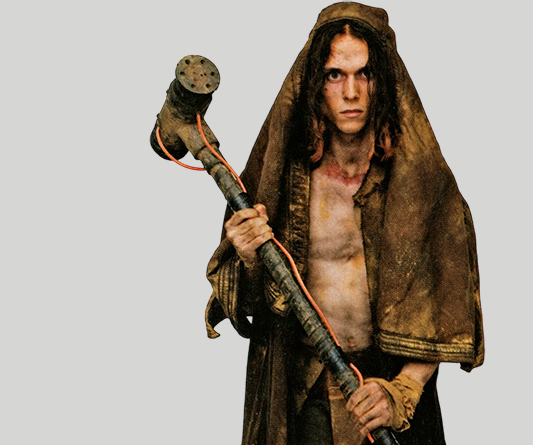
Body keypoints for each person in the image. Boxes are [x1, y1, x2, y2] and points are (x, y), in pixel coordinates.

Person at [206, 3, 484, 444]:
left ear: (385, 81)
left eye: (365, 74)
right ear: (315, 83)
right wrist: (249, 258)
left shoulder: (421, 184)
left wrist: (403, 391)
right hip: (301, 394)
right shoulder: (282, 181)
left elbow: (444, 306)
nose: (351, 92)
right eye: (335, 74)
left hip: (388, 394)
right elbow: (254, 307)